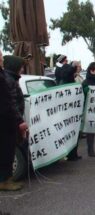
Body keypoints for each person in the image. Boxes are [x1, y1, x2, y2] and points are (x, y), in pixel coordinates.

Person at [0, 53, 28, 191]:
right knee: (7, 152)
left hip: (9, 122)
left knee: (8, 152)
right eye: (21, 66)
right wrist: (20, 121)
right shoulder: (8, 80)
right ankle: (5, 181)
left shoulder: (8, 78)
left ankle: (6, 179)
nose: (1, 59)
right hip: (8, 123)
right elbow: (11, 103)